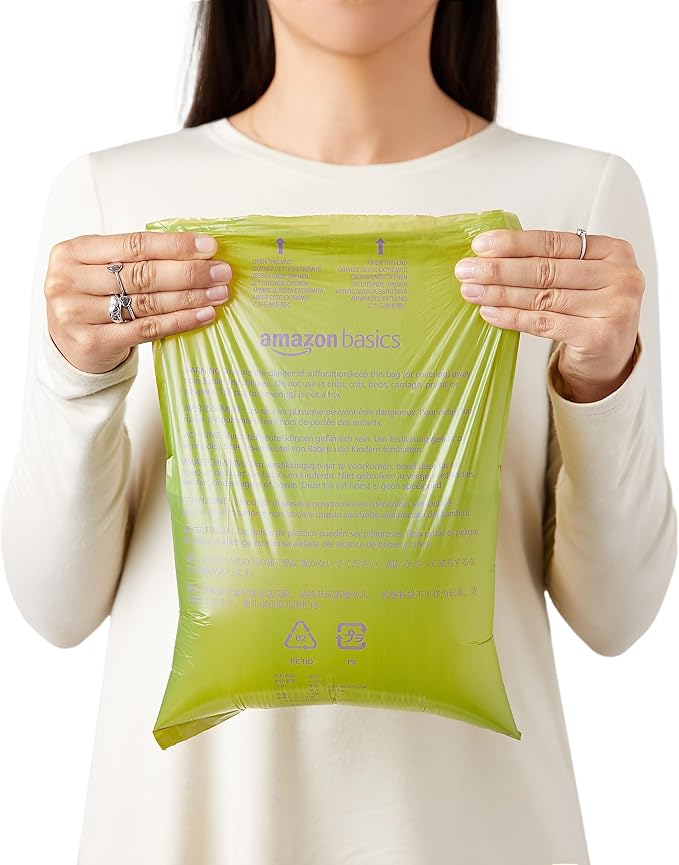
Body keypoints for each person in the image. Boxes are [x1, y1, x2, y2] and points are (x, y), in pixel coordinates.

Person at [1, 1, 676, 863]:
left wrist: (601, 382)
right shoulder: (114, 199)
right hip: (189, 835)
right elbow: (56, 608)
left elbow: (615, 615)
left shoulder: (575, 204)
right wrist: (76, 374)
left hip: (472, 831)